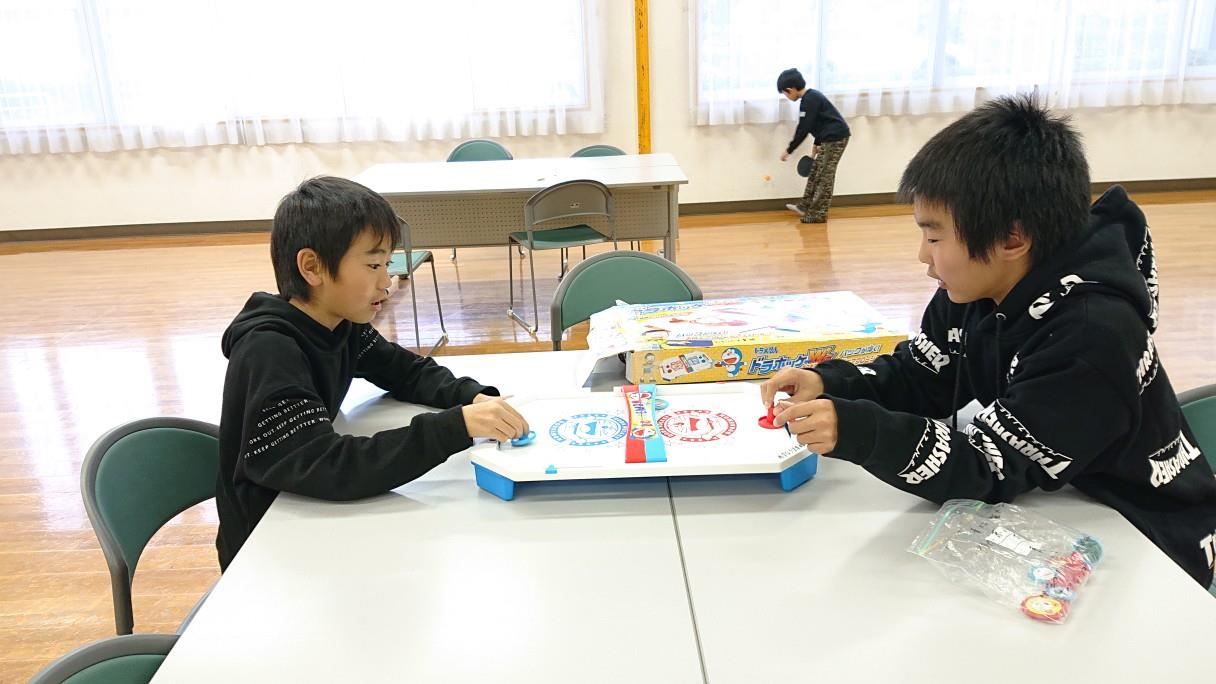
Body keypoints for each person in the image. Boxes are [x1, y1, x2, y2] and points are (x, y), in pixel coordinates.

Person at [761, 95, 1216, 591]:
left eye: (935, 238)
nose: (922, 256)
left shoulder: (1091, 336)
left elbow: (988, 469)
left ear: (1011, 239)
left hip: (1144, 540)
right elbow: (923, 374)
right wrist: (831, 383)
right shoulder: (975, 286)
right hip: (1062, 498)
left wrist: (860, 430)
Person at [215, 176, 528, 570]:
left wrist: (472, 397)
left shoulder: (340, 323)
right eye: (374, 265)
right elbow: (329, 466)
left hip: (310, 518)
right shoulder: (269, 349)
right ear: (312, 267)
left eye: (388, 264)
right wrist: (456, 426)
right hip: (267, 547)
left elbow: (404, 371)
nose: (387, 281)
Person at [777, 67, 851, 224]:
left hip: (836, 138)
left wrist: (789, 149)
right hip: (828, 138)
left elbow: (804, 128)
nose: (786, 97)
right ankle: (805, 205)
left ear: (790, 89)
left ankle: (818, 214)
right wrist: (817, 142)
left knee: (824, 177)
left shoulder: (810, 100)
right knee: (816, 172)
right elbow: (819, 123)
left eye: (785, 94)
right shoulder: (810, 98)